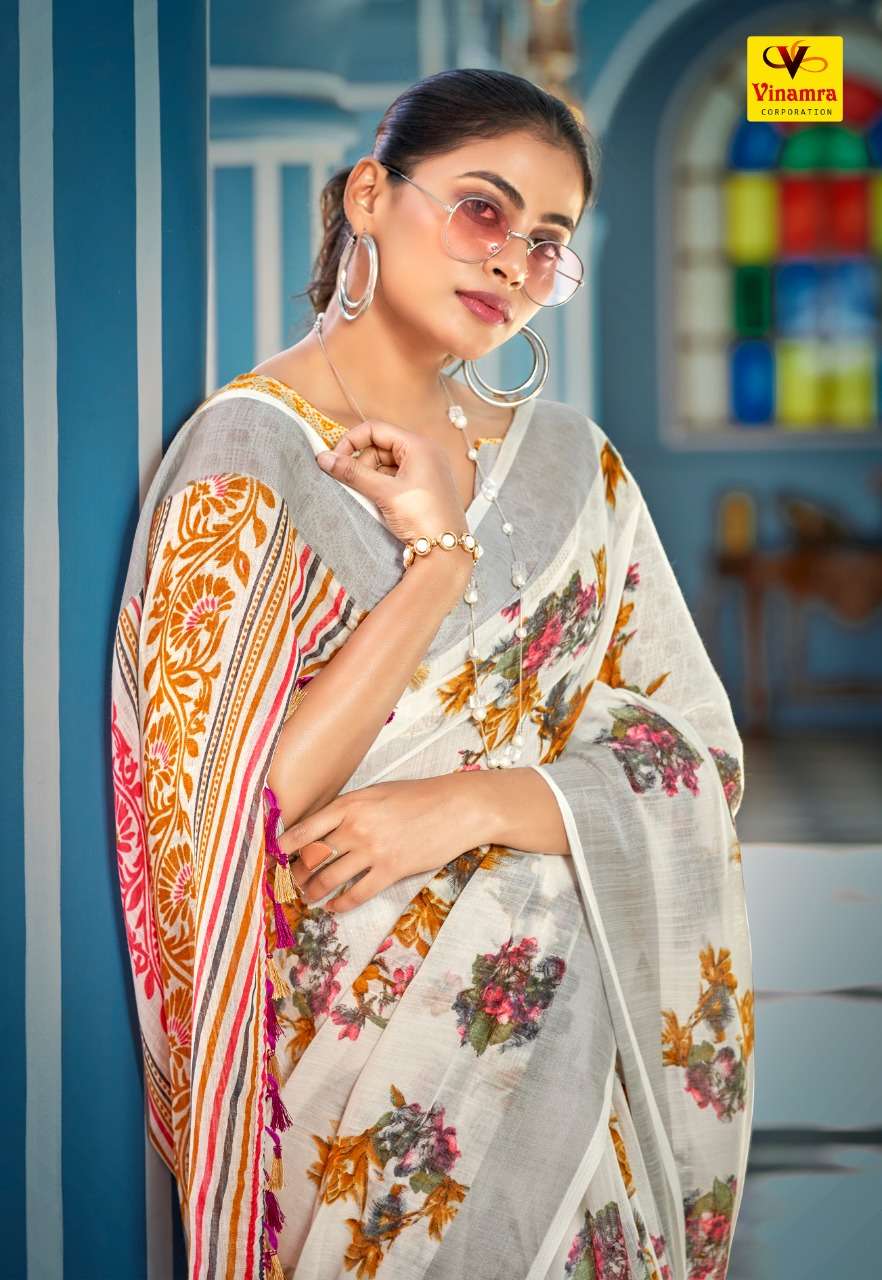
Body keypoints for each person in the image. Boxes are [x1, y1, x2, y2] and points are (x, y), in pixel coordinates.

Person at [109, 67, 754, 1280]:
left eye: (547, 240)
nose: (513, 259)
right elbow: (232, 813)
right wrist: (436, 565)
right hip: (357, 1068)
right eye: (482, 208)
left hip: (570, 1034)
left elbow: (696, 754)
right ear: (370, 195)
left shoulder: (577, 467)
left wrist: (479, 803)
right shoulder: (247, 452)